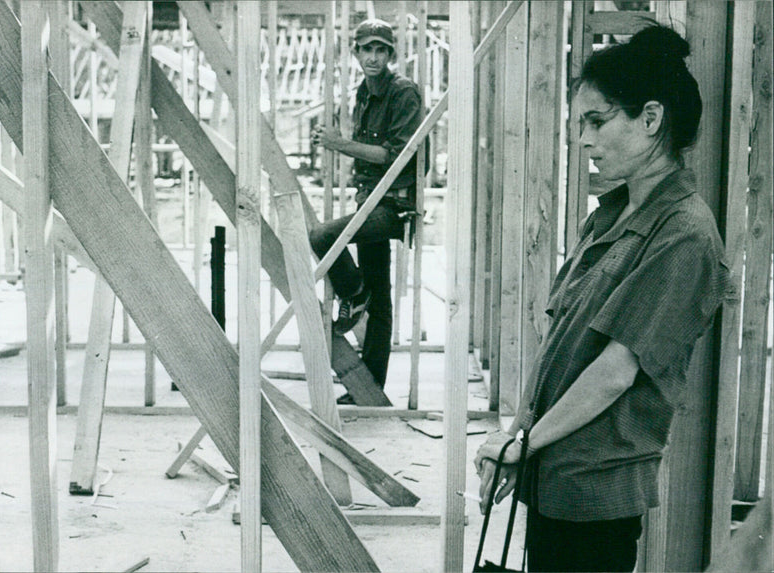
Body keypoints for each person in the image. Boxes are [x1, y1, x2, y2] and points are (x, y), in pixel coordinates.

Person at [474, 23, 730, 572]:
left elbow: (615, 370)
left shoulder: (684, 234)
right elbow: (561, 341)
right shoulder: (612, 214)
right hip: (555, 471)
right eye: (578, 124)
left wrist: (526, 443)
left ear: (652, 119)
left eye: (596, 121)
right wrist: (523, 433)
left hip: (596, 492)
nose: (583, 139)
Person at [309, 18, 423, 404]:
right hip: (369, 199)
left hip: (393, 206)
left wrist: (338, 144)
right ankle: (369, 388)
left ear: (390, 55)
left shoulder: (402, 92)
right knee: (382, 296)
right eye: (366, 50)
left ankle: (354, 295)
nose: (373, 57)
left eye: (380, 50)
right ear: (356, 53)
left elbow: (397, 157)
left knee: (323, 236)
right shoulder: (363, 91)